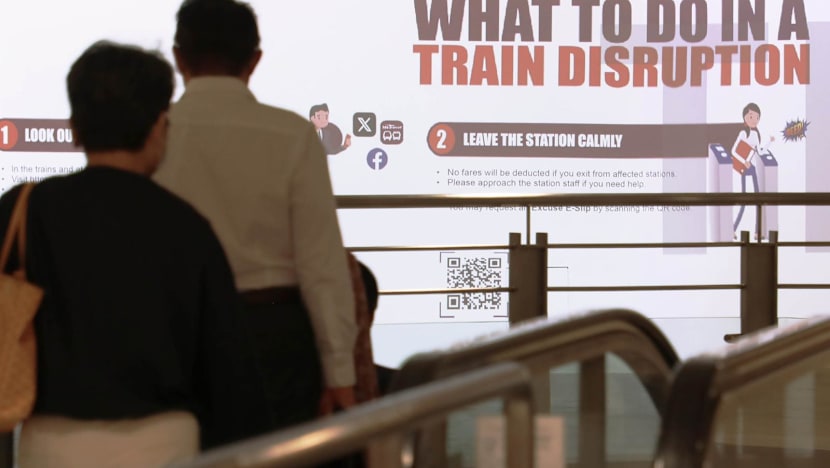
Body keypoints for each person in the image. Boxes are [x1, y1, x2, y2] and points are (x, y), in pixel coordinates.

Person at [0, 41, 266, 467]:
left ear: (75, 127)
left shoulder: (25, 208)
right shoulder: (187, 225)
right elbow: (229, 371)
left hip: (51, 444)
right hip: (164, 445)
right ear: (159, 124)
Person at [154, 0, 358, 431]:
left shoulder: (153, 131)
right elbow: (321, 265)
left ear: (178, 58)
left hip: (175, 332)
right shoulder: (293, 135)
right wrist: (340, 373)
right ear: (254, 59)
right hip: (274, 334)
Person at [731, 102, 775, 237]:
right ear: (745, 117)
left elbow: (760, 151)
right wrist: (743, 161)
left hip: (753, 168)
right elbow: (733, 150)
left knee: (758, 200)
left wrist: (770, 142)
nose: (754, 120)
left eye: (757, 117)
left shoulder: (756, 134)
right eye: (751, 116)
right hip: (745, 168)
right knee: (744, 200)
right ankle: (733, 229)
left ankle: (757, 231)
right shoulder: (743, 132)